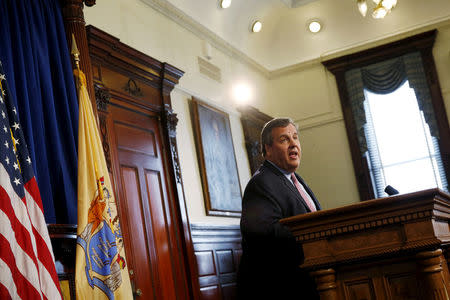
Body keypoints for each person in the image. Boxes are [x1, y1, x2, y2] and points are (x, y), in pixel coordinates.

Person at [237, 118, 321, 300]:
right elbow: (262, 233)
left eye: (295, 138)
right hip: (280, 287)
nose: (293, 144)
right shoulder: (261, 182)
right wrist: (313, 234)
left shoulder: (296, 180)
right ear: (268, 149)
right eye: (284, 140)